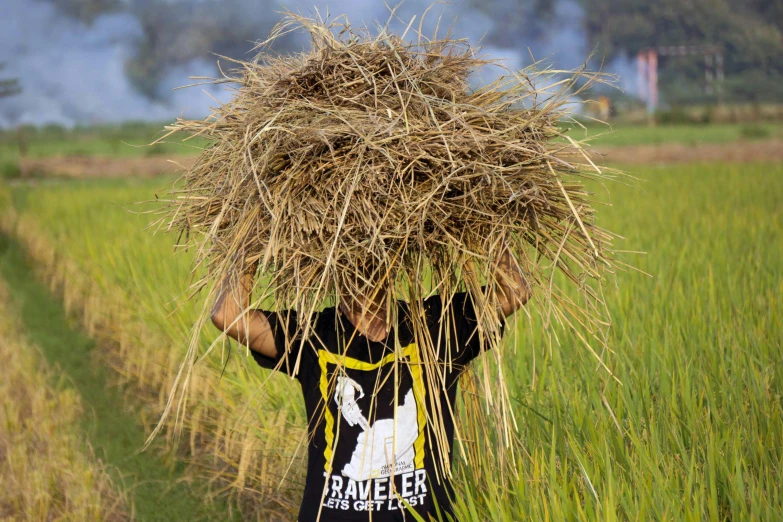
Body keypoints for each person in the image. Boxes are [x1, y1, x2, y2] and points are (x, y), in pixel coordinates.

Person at [211, 245, 530, 521]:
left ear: (395, 263)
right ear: (334, 266)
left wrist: (479, 225)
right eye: (352, 259)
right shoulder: (312, 335)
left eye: (375, 257)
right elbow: (228, 315)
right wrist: (251, 241)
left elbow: (515, 290)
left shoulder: (437, 327)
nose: (364, 271)